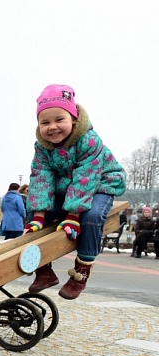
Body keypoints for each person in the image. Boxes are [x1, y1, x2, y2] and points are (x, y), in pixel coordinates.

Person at [24, 85, 126, 299]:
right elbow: (41, 178)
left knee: (91, 216)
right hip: (69, 185)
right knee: (33, 217)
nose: (52, 127)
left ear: (73, 118)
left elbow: (85, 178)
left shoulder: (88, 141)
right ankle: (44, 271)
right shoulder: (42, 147)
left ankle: (82, 271)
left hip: (101, 183)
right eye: (45, 122)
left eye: (59, 119)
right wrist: (39, 218)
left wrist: (72, 217)